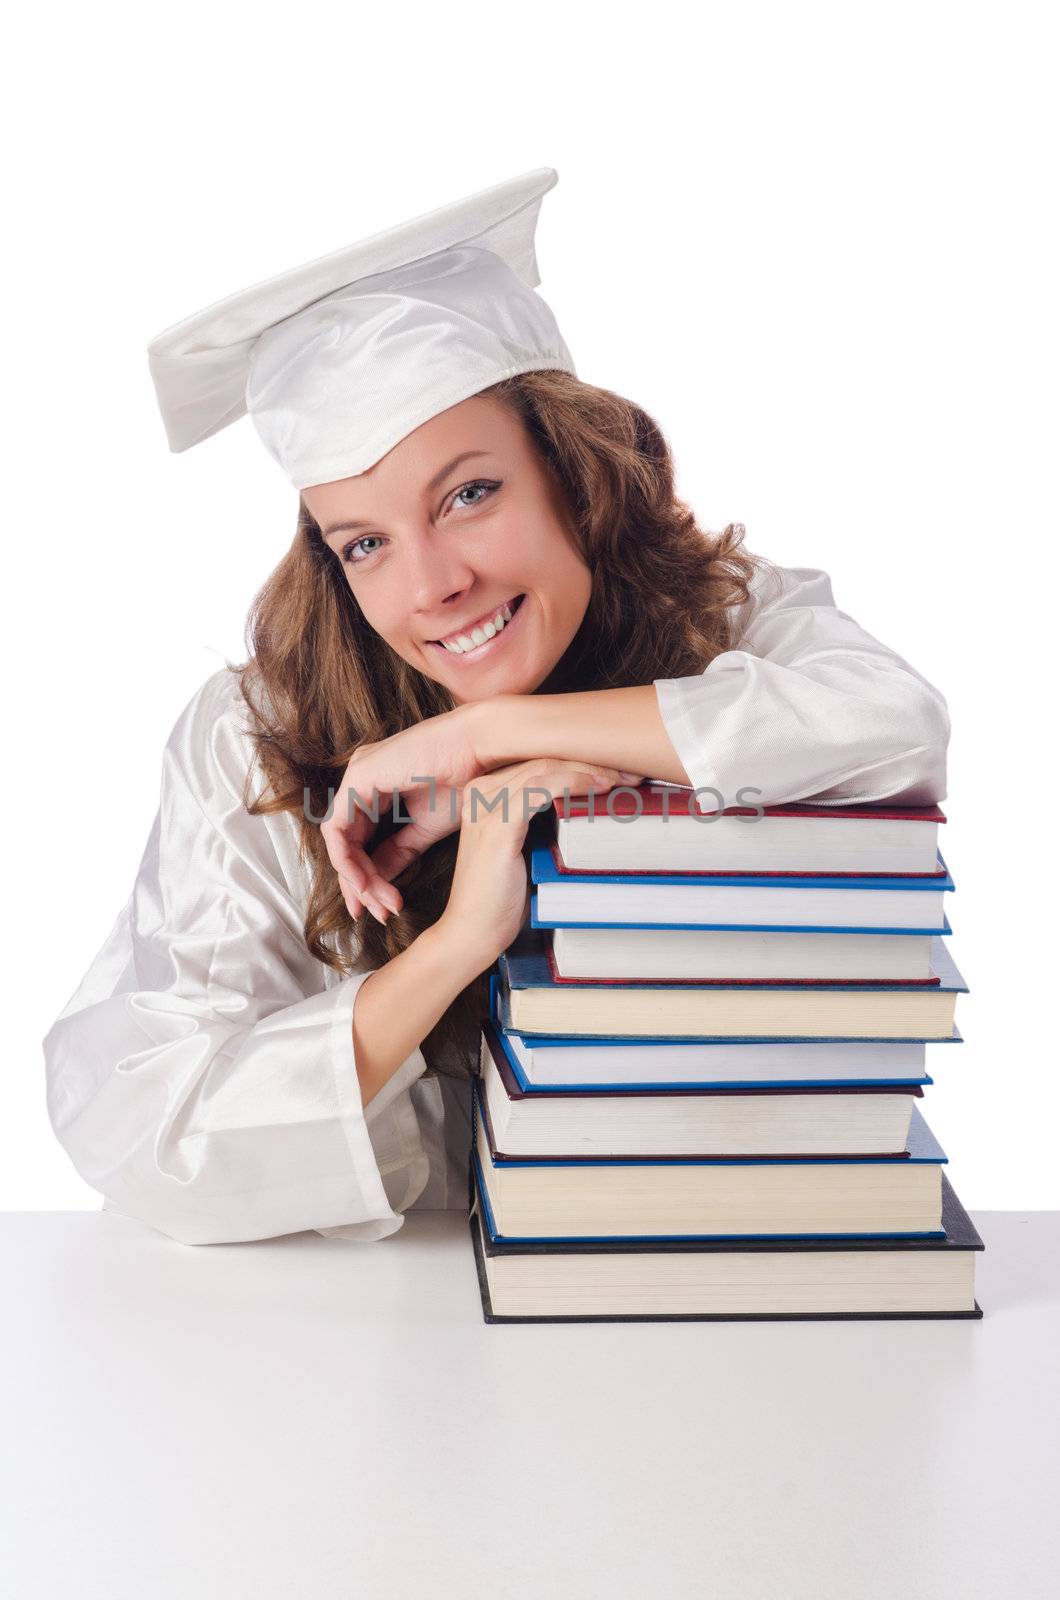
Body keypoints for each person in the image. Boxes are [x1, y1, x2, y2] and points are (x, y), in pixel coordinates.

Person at [42, 169, 950, 1248]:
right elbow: (155, 1132)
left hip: (705, 1264)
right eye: (365, 543)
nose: (432, 588)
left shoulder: (729, 622)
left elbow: (893, 726)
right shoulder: (256, 734)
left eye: (467, 494)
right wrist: (457, 944)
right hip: (350, 1332)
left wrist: (488, 736)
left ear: (572, 473)